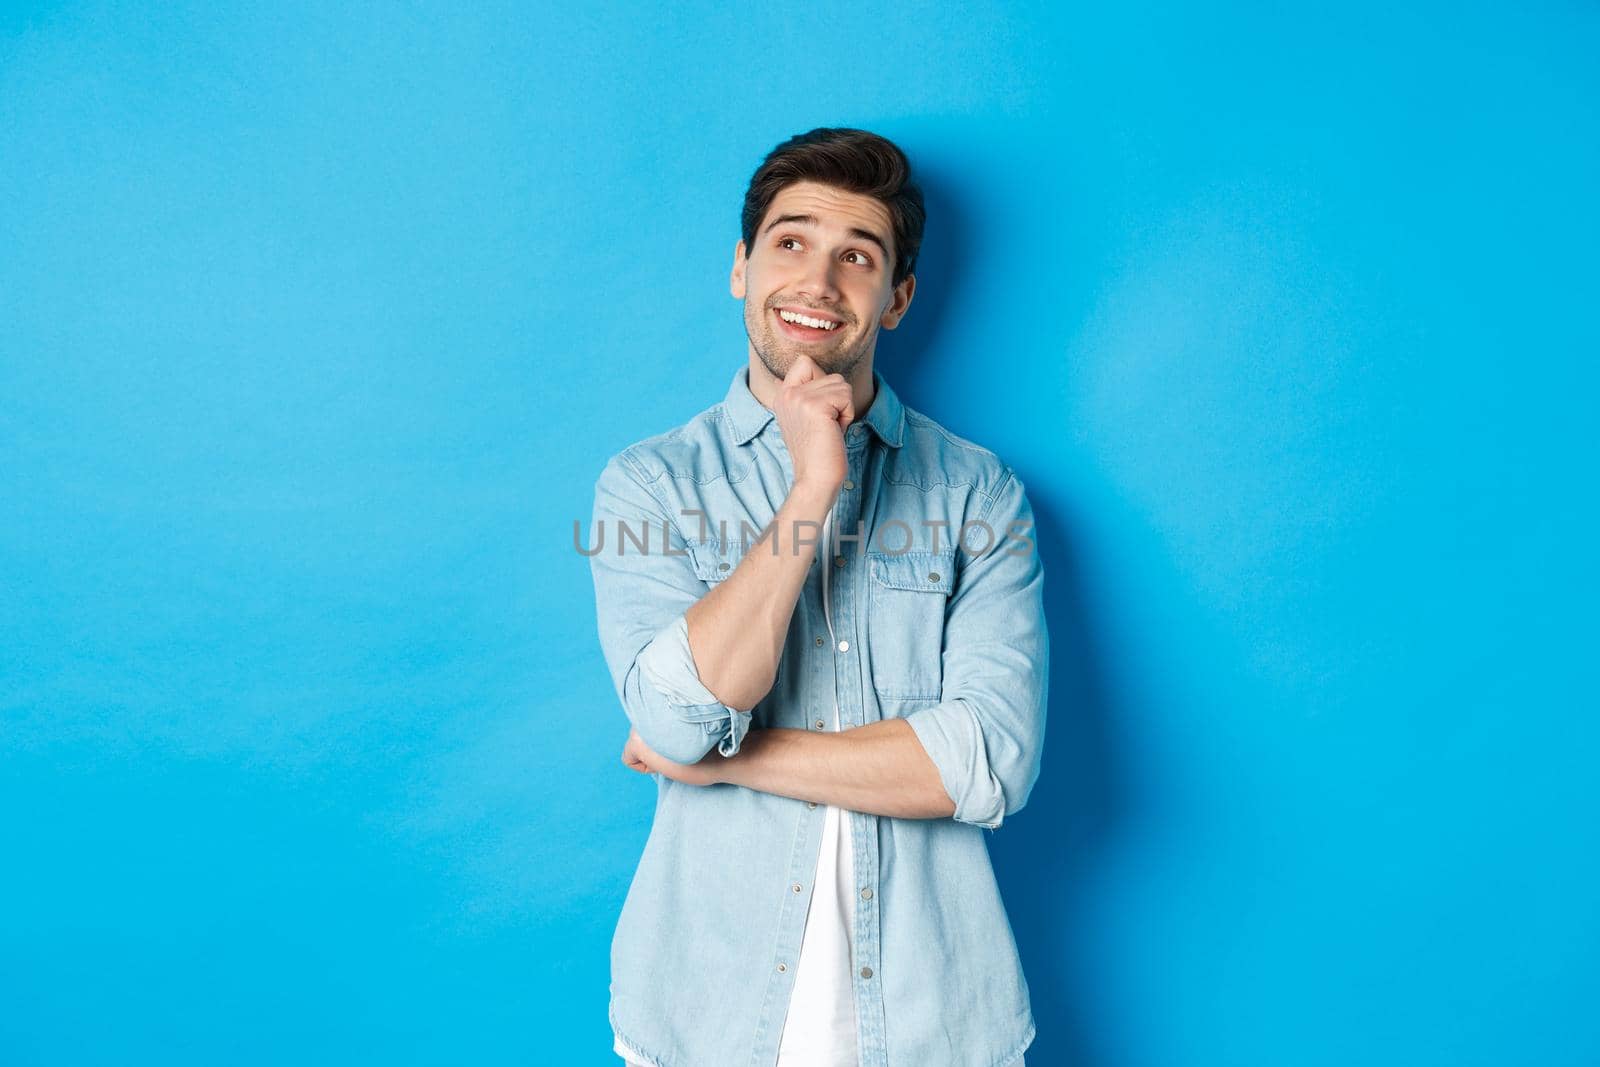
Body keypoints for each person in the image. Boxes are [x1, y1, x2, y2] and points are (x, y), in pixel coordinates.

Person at [589, 127, 1048, 1067]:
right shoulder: (647, 486)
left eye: (857, 257)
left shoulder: (978, 494)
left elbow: (988, 763)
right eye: (790, 242)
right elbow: (678, 722)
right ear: (740, 268)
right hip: (701, 1018)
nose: (818, 282)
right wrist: (813, 489)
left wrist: (727, 759)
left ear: (898, 298)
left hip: (936, 1025)